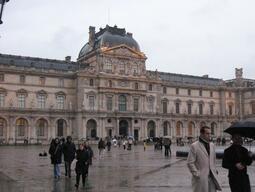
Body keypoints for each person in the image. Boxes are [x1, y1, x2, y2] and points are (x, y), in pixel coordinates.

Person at [187, 126, 221, 192]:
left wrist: (214, 169)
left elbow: (213, 159)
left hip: (212, 177)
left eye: (210, 133)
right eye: (207, 133)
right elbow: (190, 162)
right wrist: (197, 174)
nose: (209, 135)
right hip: (201, 178)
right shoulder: (194, 146)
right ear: (201, 134)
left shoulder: (212, 145)